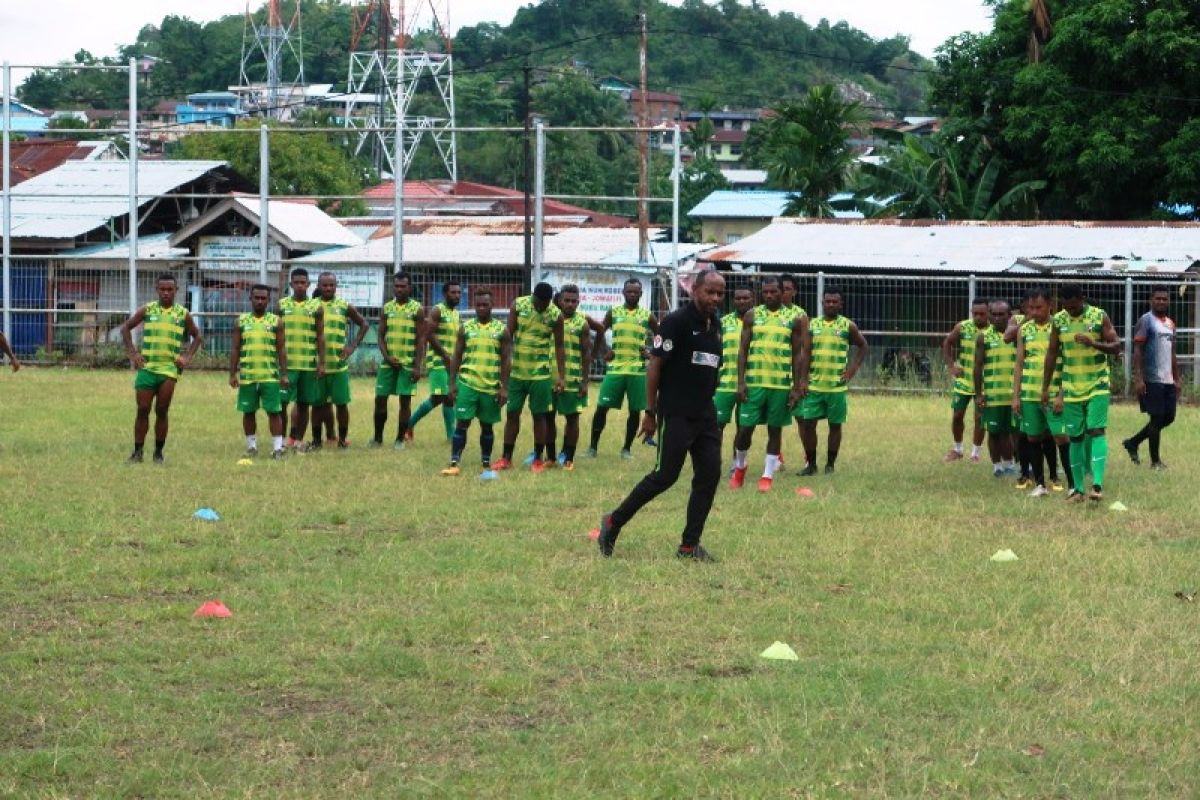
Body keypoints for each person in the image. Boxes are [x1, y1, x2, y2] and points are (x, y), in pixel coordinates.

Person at [597, 269, 726, 561]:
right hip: (676, 413)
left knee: (709, 475)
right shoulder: (676, 322)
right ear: (695, 290)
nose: (716, 298)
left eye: (720, 293)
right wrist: (651, 411)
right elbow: (655, 366)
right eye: (711, 292)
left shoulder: (715, 325)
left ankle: (689, 546)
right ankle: (613, 522)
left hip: (705, 415)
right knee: (665, 476)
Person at [1042, 284, 1121, 502]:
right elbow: (1051, 354)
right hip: (1071, 388)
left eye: (1075, 307)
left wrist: (1093, 342)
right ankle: (1077, 489)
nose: (1071, 311)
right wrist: (1045, 388)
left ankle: (1097, 485)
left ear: (1082, 299)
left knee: (1096, 431)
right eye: (1067, 308)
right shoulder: (1058, 320)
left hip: (1097, 385)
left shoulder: (1099, 316)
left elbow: (1116, 346)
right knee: (1075, 438)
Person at [731, 276, 805, 492]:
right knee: (745, 430)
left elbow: (797, 354)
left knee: (775, 430)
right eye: (766, 292)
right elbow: (743, 350)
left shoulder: (795, 318)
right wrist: (741, 382)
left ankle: (767, 475)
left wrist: (796, 386)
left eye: (774, 292)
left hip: (780, 386)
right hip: (754, 384)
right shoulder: (752, 315)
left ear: (783, 292)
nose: (770, 295)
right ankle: (740, 467)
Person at [120, 273, 203, 464]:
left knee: (162, 410)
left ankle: (158, 453)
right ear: (157, 290)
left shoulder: (182, 313)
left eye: (170, 289)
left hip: (169, 370)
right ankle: (138, 452)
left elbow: (197, 336)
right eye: (162, 289)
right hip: (147, 368)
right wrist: (133, 354)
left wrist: (187, 356)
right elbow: (126, 328)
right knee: (142, 409)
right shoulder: (148, 309)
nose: (166, 293)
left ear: (176, 291)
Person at [794, 288, 868, 475]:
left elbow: (863, 346)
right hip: (814, 385)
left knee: (835, 426)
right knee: (809, 424)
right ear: (822, 302)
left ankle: (830, 465)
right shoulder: (813, 325)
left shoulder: (847, 325)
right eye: (828, 301)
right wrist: (803, 379)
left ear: (841, 304)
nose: (831, 305)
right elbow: (806, 353)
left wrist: (852, 370)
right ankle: (811, 465)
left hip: (836, 387)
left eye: (835, 302)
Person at [495, 282, 565, 472]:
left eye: (544, 303)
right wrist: (503, 368)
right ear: (532, 296)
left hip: (541, 374)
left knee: (540, 416)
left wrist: (561, 376)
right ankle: (506, 458)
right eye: (537, 301)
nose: (540, 306)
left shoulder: (555, 315)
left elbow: (559, 346)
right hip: (517, 372)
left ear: (549, 301)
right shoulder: (518, 305)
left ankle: (538, 459)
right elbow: (508, 337)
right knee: (512, 414)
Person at [442, 289, 510, 477]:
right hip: (467, 383)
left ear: (492, 305)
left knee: (487, 426)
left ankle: (485, 462)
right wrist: (452, 383)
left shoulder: (501, 330)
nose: (481, 308)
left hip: (490, 387)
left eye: (485, 305)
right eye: (478, 305)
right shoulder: (466, 328)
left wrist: (504, 387)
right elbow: (456, 355)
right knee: (462, 423)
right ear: (474, 305)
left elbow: (506, 360)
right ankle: (455, 461)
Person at [587, 278, 658, 458]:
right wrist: (605, 351)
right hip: (616, 369)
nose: (632, 294)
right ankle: (592, 448)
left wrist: (651, 353)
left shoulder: (647, 315)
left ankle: (626, 449)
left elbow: (660, 335)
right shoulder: (614, 312)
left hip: (637, 370)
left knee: (634, 411)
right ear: (623, 293)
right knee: (602, 407)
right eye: (629, 291)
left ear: (641, 294)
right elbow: (601, 331)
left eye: (636, 292)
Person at [1123, 285, 1181, 470]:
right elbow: (1138, 351)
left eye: (1164, 299)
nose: (1161, 302)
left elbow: (1172, 352)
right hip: (1151, 378)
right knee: (1156, 419)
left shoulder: (1170, 323)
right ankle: (1155, 462)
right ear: (1151, 300)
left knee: (1169, 417)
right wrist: (1139, 379)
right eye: (1158, 298)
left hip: (1168, 379)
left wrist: (1176, 378)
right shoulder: (1145, 321)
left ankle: (1133, 442)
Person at [230, 285, 289, 460]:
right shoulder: (241, 321)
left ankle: (277, 449)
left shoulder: (276, 321)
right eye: (257, 298)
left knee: (274, 412)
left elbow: (281, 349)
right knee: (248, 412)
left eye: (264, 298)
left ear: (268, 301)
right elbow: (235, 348)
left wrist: (284, 374)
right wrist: (232, 374)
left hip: (270, 376)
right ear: (250, 298)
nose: (260, 301)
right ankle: (251, 447)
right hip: (248, 376)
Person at [311, 272, 369, 449]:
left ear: (336, 286)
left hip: (338, 366)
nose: (328, 288)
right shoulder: (311, 305)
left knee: (341, 405)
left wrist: (352, 346)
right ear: (319, 286)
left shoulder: (344, 305)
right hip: (317, 365)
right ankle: (316, 441)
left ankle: (342, 441)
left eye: (331, 285)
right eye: (325, 285)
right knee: (317, 405)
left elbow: (364, 324)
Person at [1010, 289, 1059, 496]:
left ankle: (1058, 477)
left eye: (1039, 307)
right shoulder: (1025, 329)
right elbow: (1019, 362)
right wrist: (1016, 395)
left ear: (1050, 305)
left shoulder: (1058, 327)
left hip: (1053, 391)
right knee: (1033, 438)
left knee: (1059, 436)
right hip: (1029, 393)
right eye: (1031, 308)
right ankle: (1040, 483)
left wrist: (1061, 393)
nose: (1034, 312)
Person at [372, 272, 425, 449]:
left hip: (407, 364)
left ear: (409, 287)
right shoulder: (387, 308)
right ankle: (378, 438)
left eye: (403, 286)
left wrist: (418, 366)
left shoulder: (417, 309)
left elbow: (420, 339)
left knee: (405, 402)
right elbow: (380, 335)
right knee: (380, 400)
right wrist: (387, 357)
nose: (400, 289)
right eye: (397, 286)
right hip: (388, 364)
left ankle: (400, 439)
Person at [278, 268, 325, 451]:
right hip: (287, 364)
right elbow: (275, 334)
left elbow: (320, 336)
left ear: (308, 284)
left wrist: (321, 363)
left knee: (304, 404)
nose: (299, 286)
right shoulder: (281, 305)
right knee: (281, 404)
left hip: (307, 364)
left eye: (302, 282)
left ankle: (298, 441)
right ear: (291, 284)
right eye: (296, 282)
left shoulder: (316, 307)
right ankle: (280, 441)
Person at [408, 280, 461, 442]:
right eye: (453, 292)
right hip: (438, 360)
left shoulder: (455, 313)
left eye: (459, 292)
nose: (457, 295)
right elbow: (429, 334)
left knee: (449, 397)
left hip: (451, 362)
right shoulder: (438, 310)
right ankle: (408, 425)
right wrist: (445, 355)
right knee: (440, 397)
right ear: (445, 294)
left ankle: (450, 436)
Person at [973, 300, 1018, 478]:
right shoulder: (983, 337)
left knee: (1014, 432)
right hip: (992, 395)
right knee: (994, 432)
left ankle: (1011, 464)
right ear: (989, 315)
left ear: (1009, 316)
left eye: (1001, 314)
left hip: (1014, 394)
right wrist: (978, 394)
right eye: (994, 314)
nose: (997, 318)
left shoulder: (1016, 335)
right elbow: (977, 367)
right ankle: (997, 466)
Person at [550, 285, 593, 470]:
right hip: (550, 377)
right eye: (566, 300)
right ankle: (550, 457)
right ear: (560, 301)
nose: (570, 304)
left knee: (572, 419)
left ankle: (568, 457)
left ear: (578, 302)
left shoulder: (581, 324)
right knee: (547, 417)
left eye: (574, 301)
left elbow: (586, 354)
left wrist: (585, 381)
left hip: (573, 378)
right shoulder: (550, 319)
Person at [942, 298, 990, 463]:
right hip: (964, 381)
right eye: (975, 313)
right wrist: (951, 366)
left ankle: (975, 453)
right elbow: (947, 343)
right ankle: (957, 449)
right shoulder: (962, 327)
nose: (978, 317)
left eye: (982, 314)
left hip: (984, 384)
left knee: (979, 418)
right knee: (957, 416)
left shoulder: (994, 331)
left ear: (988, 313)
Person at [715, 287, 755, 460]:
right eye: (738, 298)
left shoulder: (759, 322)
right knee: (716, 426)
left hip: (749, 384)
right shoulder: (723, 322)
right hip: (724, 383)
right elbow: (715, 350)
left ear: (753, 299)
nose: (742, 301)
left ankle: (737, 463)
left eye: (745, 298)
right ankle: (713, 462)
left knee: (744, 427)